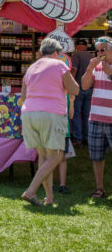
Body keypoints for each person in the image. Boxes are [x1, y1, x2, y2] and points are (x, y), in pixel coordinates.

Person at [19, 38, 79, 206]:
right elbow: (74, 89)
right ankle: (31, 191)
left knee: (44, 156)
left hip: (29, 113)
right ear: (55, 53)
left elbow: (23, 96)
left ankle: (49, 198)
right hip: (51, 114)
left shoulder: (31, 67)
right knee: (56, 155)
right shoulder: (59, 65)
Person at [81, 36, 112, 199]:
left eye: (103, 50)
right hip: (96, 117)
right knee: (96, 156)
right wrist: (88, 69)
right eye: (97, 50)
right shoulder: (96, 66)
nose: (99, 53)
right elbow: (84, 86)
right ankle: (99, 188)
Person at [71, 39, 94, 145]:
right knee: (87, 114)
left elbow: (74, 70)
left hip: (78, 88)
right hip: (90, 87)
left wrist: (69, 83)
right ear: (86, 46)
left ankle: (77, 138)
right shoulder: (91, 56)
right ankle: (88, 137)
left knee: (75, 113)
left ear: (77, 46)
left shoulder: (76, 55)